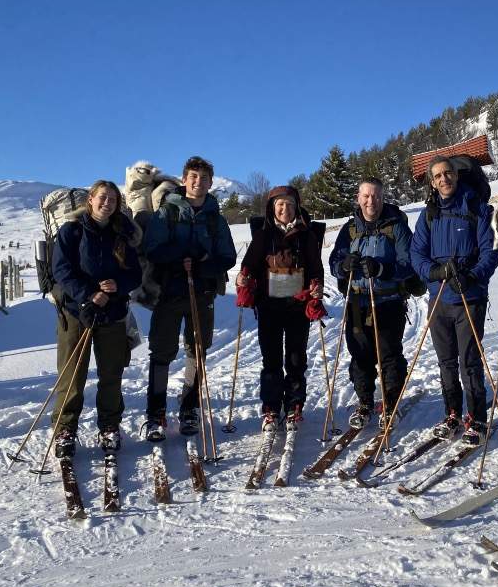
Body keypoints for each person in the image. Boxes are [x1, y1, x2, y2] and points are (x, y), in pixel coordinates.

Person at [142, 156, 238, 441]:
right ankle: (156, 412)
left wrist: (201, 266)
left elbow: (228, 256)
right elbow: (152, 249)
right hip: (169, 291)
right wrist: (180, 257)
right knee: (161, 352)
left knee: (197, 351)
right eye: (193, 177)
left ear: (210, 183)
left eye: (204, 178)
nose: (198, 182)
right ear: (184, 180)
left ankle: (189, 408)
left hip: (202, 291)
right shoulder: (167, 212)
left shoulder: (215, 218)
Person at [410, 156, 498, 447]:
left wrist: (472, 277)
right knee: (446, 361)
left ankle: (477, 418)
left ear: (456, 175)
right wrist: (434, 272)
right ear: (432, 182)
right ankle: (452, 413)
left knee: (469, 362)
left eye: (447, 173)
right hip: (439, 298)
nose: (443, 179)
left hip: (469, 298)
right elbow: (416, 253)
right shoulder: (429, 213)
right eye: (437, 176)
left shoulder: (477, 208)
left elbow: (492, 249)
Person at [51, 180, 143, 458]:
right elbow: (61, 270)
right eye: (102, 197)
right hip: (76, 312)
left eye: (113, 199)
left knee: (111, 373)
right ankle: (65, 429)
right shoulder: (72, 231)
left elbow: (135, 274)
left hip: (112, 313)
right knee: (72, 374)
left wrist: (118, 285)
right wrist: (89, 294)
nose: (107, 203)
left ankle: (110, 426)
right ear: (90, 199)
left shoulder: (122, 234)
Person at [235, 186, 325, 430]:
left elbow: (316, 269)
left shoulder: (307, 236)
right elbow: (249, 266)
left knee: (296, 359)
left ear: (297, 207)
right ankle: (271, 407)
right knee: (271, 359)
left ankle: (294, 405)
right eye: (280, 205)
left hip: (297, 307)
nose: (285, 209)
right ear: (272, 208)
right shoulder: (263, 236)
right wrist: (243, 278)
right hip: (269, 307)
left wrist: (317, 285)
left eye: (290, 204)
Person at [329, 177, 414, 429]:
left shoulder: (396, 227)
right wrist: (344, 266)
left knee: (389, 354)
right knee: (360, 354)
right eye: (366, 196)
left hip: (388, 301)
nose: (371, 201)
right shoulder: (349, 229)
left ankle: (390, 402)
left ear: (383, 198)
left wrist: (381, 269)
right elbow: (334, 262)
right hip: (357, 302)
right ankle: (365, 402)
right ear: (358, 198)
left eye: (376, 196)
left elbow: (409, 264)